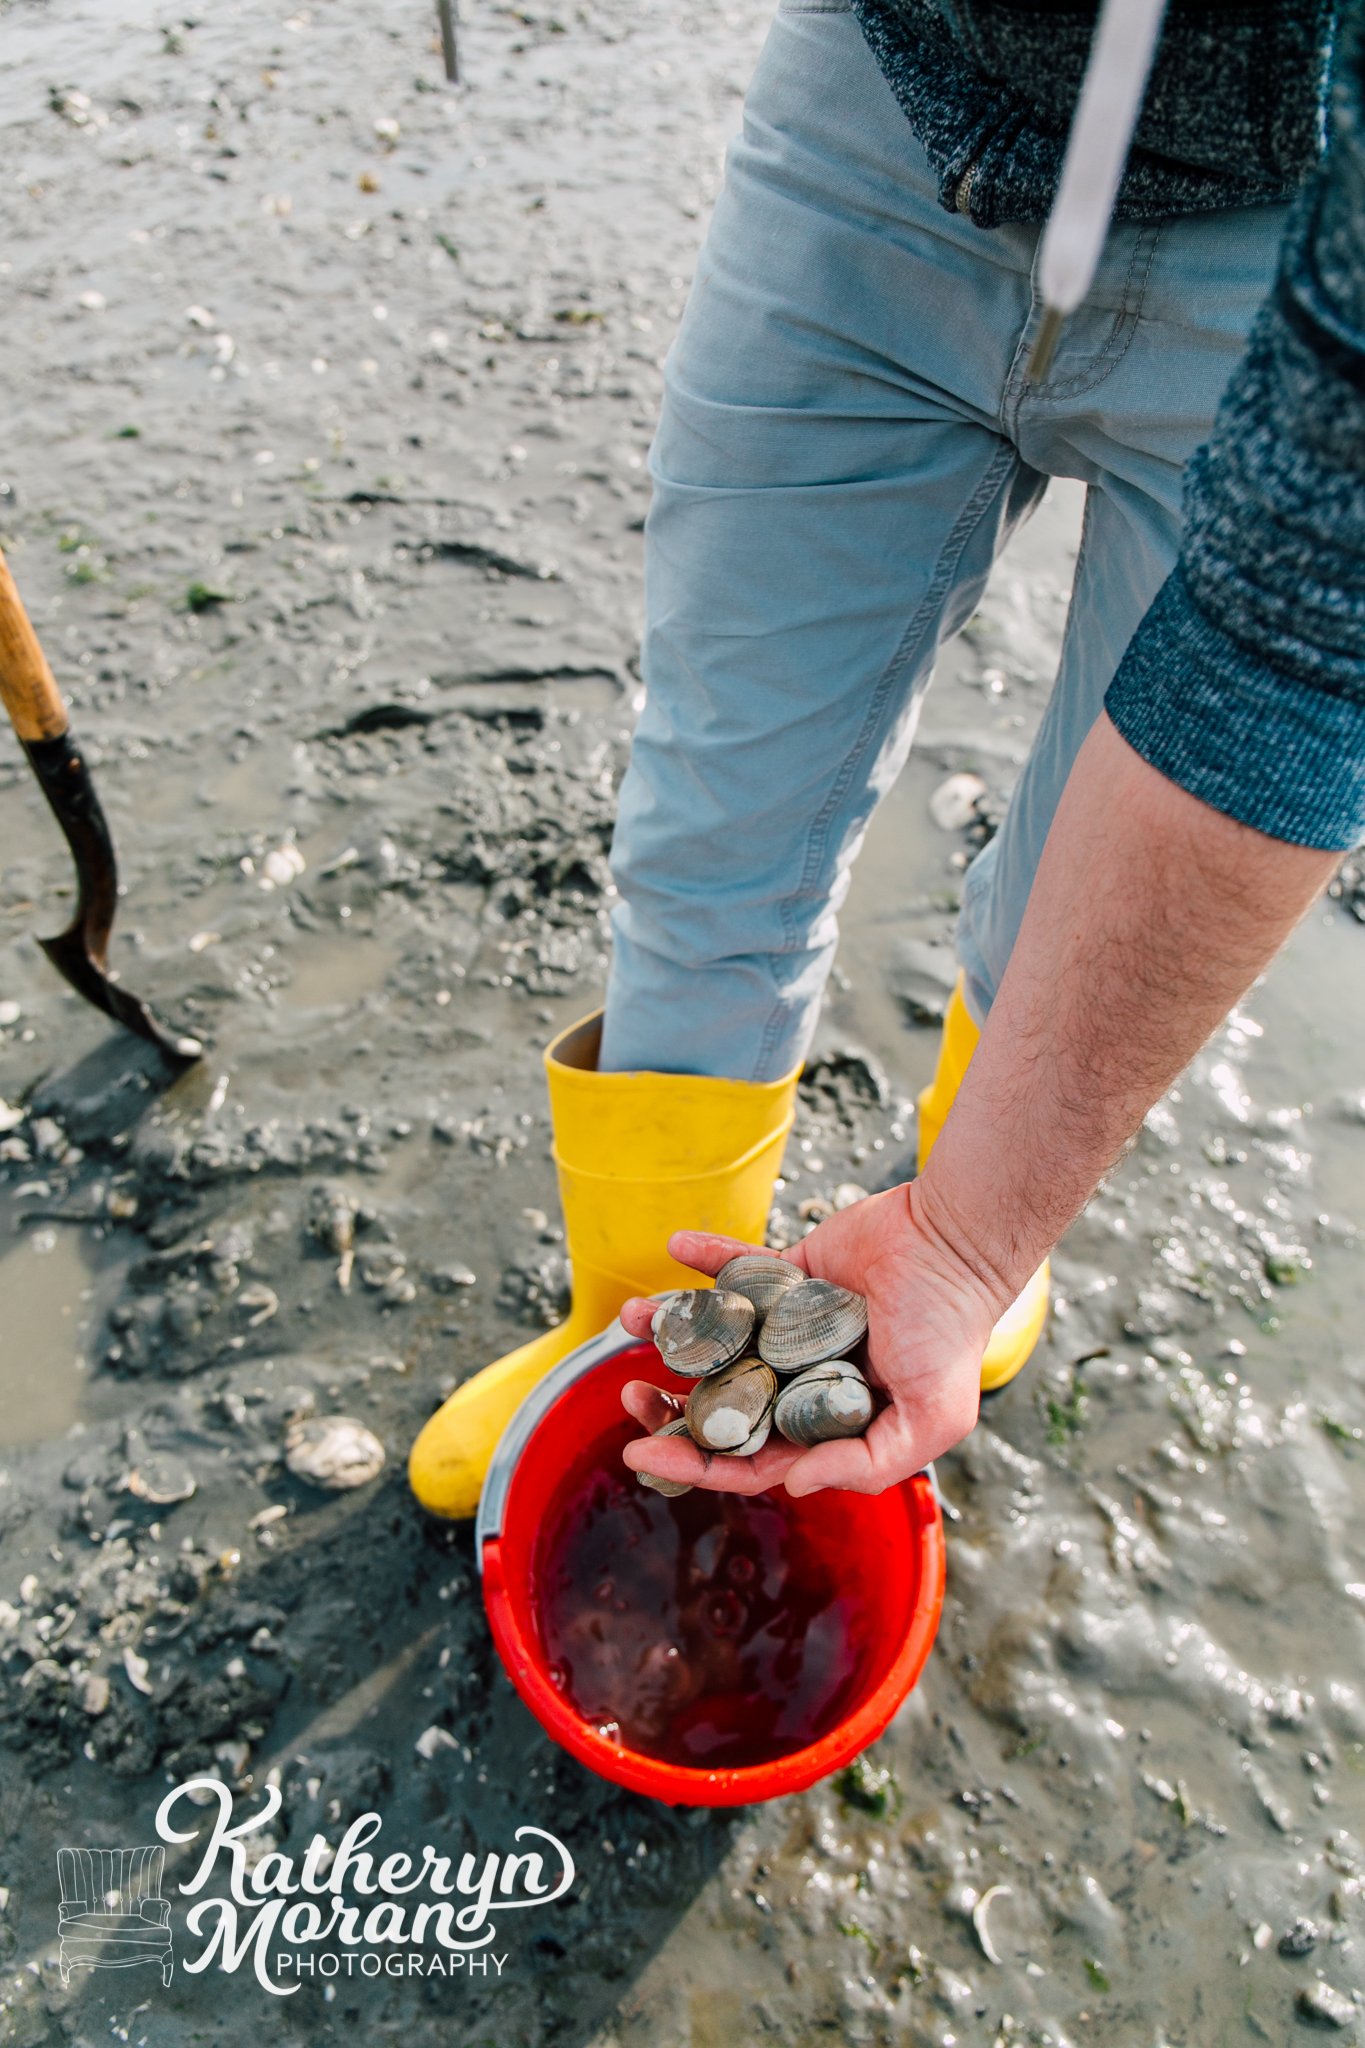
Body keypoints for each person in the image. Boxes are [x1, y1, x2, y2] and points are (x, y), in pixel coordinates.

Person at [408, 0, 1365, 1520]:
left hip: (1298, 227)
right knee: (713, 818)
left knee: (1083, 871)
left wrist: (982, 1229)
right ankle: (632, 1339)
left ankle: (976, 1250)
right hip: (886, 109)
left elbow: (1297, 672)